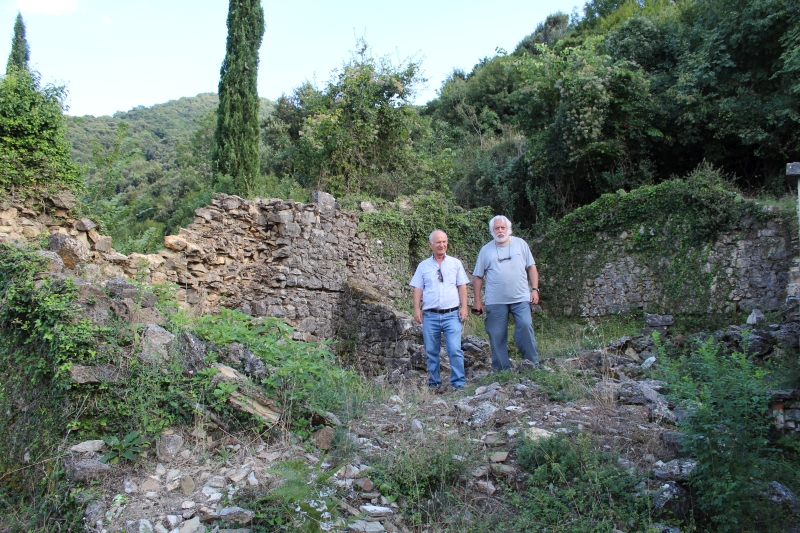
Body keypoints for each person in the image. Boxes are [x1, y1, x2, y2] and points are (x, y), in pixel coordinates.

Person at [472, 215, 541, 371]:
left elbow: (531, 267)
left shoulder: (521, 244)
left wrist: (535, 289)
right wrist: (477, 301)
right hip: (495, 300)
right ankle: (501, 369)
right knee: (496, 334)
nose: (500, 230)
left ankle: (531, 364)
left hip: (521, 297)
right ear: (492, 230)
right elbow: (477, 276)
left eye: (503, 227)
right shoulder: (486, 250)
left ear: (508, 228)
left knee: (525, 325)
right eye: (497, 228)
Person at [409, 229, 469, 391]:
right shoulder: (423, 266)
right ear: (431, 245)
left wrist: (464, 307)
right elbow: (417, 289)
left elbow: (462, 286)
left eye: (444, 242)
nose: (442, 245)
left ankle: (458, 383)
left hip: (452, 314)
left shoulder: (455, 264)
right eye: (438, 242)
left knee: (455, 349)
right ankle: (434, 383)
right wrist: (416, 309)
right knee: (431, 351)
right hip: (430, 315)